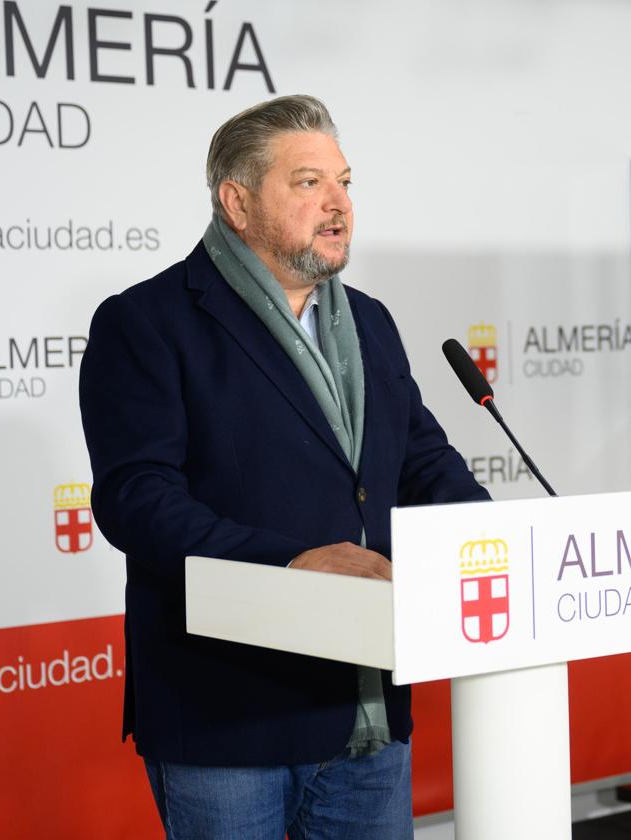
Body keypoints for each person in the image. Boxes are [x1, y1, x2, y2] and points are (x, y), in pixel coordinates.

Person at [79, 95, 487, 839]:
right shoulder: (147, 321)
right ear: (237, 202)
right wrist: (292, 561)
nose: (338, 204)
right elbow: (138, 500)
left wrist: (492, 538)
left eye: (344, 182)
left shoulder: (369, 319)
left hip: (367, 714)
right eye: (307, 183)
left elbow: (422, 460)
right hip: (230, 721)